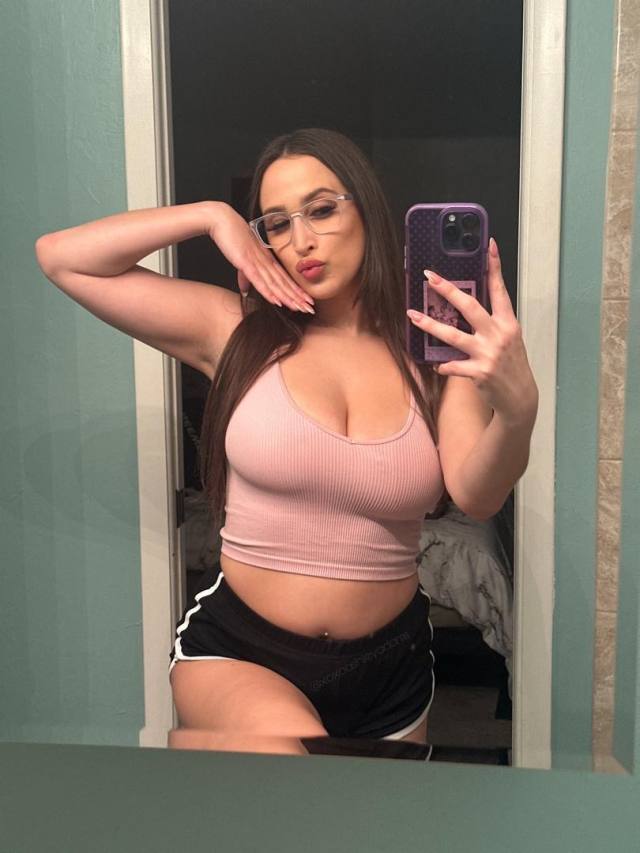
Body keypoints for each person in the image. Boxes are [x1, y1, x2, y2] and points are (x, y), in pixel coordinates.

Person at [35, 128, 538, 750]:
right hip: (244, 653)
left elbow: (477, 495)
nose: (300, 241)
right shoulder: (235, 330)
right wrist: (211, 216)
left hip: (390, 667)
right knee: (300, 775)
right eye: (276, 223)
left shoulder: (433, 350)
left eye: (321, 210)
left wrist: (518, 411)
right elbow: (62, 257)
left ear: (368, 211)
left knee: (373, 812)